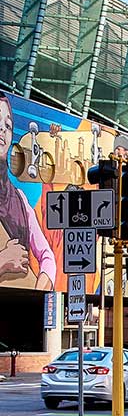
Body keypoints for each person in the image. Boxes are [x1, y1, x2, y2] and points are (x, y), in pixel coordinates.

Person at [0, 93, 56, 291]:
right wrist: (3, 261)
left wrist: (36, 294)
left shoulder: (19, 199)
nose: (2, 129)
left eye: (8, 125)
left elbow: (48, 257)